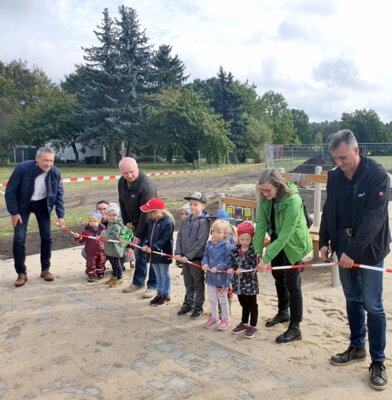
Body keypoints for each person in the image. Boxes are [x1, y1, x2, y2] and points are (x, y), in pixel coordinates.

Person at [319, 129, 390, 391]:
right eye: (336, 159)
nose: (341, 163)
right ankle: (357, 346)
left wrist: (352, 252)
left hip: (371, 247)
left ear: (356, 151)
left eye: (344, 157)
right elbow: (330, 209)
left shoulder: (378, 175)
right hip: (343, 241)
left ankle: (378, 361)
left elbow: (376, 218)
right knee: (352, 299)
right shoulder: (335, 177)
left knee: (373, 303)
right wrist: (326, 241)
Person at [253, 168, 312, 343]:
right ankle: (283, 313)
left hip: (294, 243)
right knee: (278, 277)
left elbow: (286, 233)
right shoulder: (265, 200)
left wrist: (266, 258)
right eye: (262, 190)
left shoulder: (293, 200)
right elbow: (261, 225)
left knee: (293, 284)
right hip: (277, 240)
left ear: (278, 186)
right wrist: (258, 252)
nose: (265, 194)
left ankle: (295, 328)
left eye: (268, 190)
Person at [5, 147, 65, 287]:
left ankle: (45, 270)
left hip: (43, 205)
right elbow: (10, 191)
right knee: (19, 239)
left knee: (46, 237)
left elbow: (59, 195)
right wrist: (14, 212)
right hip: (23, 206)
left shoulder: (55, 172)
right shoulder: (23, 168)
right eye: (45, 160)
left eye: (51, 161)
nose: (48, 164)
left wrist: (60, 215)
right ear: (37, 159)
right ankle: (21, 273)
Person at [119, 157, 157, 297]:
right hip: (135, 221)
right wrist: (126, 222)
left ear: (137, 168)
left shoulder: (146, 186)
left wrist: (138, 234)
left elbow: (146, 213)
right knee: (139, 253)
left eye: (131, 172)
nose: (129, 175)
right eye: (125, 173)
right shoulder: (121, 182)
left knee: (152, 254)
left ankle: (153, 285)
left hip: (151, 222)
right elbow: (122, 202)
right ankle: (138, 282)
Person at [175, 192, 210, 319]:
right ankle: (189, 303)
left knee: (198, 283)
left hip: (196, 259)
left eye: (196, 204)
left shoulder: (204, 222)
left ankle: (198, 306)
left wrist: (189, 256)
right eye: (191, 204)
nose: (193, 207)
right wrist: (178, 253)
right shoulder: (186, 220)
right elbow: (179, 237)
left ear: (203, 206)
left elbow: (200, 242)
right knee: (188, 282)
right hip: (184, 259)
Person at [140, 198, 174, 307]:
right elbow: (147, 234)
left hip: (163, 252)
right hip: (152, 253)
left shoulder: (168, 221)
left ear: (156, 211)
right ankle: (159, 293)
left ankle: (166, 294)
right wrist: (145, 244)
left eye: (150, 212)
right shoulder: (152, 221)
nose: (148, 214)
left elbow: (165, 239)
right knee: (157, 273)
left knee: (164, 273)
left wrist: (153, 247)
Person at [227, 222, 259, 339]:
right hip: (238, 284)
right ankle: (244, 323)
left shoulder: (253, 251)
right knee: (243, 304)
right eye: (242, 239)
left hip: (250, 284)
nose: (244, 241)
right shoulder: (235, 250)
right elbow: (232, 261)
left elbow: (255, 266)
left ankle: (253, 325)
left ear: (251, 239)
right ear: (238, 238)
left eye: (247, 239)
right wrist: (231, 267)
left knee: (252, 305)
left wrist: (244, 269)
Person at [201, 219, 234, 330]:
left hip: (222, 279)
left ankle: (226, 319)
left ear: (225, 234)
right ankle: (214, 317)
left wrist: (218, 268)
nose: (215, 234)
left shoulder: (227, 246)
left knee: (223, 299)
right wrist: (204, 263)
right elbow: (205, 256)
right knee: (211, 298)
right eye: (214, 231)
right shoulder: (209, 244)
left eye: (218, 232)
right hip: (210, 277)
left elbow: (228, 261)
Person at [101, 202, 131, 288]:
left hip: (116, 248)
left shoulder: (117, 225)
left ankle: (119, 278)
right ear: (107, 215)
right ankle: (114, 276)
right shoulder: (110, 224)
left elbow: (114, 236)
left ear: (117, 216)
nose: (112, 217)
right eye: (110, 215)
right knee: (112, 262)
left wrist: (103, 237)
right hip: (110, 247)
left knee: (117, 263)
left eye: (114, 215)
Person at [73, 211, 106, 282]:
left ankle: (100, 273)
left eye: (94, 221)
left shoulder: (103, 230)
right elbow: (81, 240)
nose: (92, 223)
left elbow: (107, 239)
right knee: (91, 264)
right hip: (90, 251)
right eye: (90, 221)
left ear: (99, 222)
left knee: (101, 262)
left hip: (101, 251)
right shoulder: (86, 231)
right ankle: (91, 275)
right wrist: (78, 237)